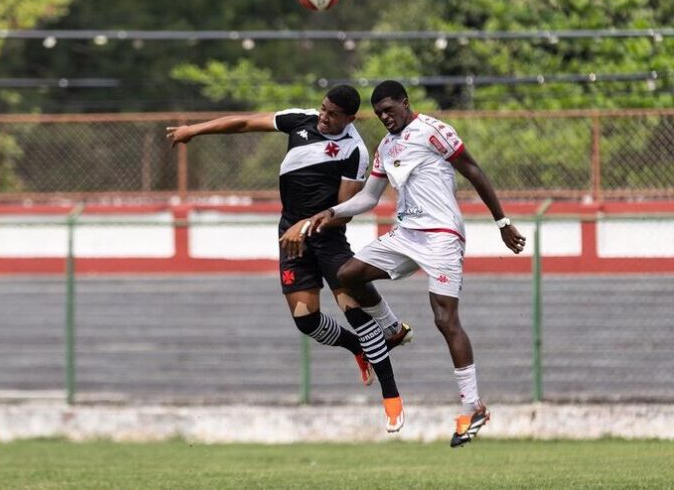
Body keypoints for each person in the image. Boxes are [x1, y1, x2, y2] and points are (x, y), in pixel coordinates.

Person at [166, 85, 411, 432]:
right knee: (306, 321)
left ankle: (392, 399)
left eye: (333, 114)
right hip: (290, 235)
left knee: (353, 310)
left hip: (327, 239)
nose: (324, 116)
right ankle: (359, 348)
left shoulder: (354, 150)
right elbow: (245, 124)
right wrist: (195, 130)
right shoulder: (300, 119)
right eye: (323, 109)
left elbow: (343, 212)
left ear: (350, 119)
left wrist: (307, 225)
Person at [306, 80, 526, 447]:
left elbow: (472, 169)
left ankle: (473, 407)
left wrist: (502, 222)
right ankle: (392, 328)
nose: (386, 118)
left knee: (445, 319)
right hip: (406, 234)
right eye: (379, 115)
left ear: (405, 103)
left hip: (441, 236)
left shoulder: (434, 131)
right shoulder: (386, 146)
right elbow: (368, 199)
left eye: (390, 110)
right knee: (348, 275)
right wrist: (332, 211)